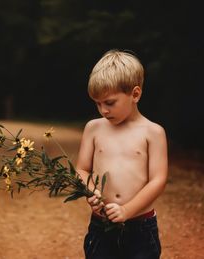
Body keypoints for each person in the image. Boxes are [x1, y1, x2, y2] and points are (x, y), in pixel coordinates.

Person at [76, 49, 168, 259]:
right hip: (101, 225)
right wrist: (90, 191)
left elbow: (158, 180)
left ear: (135, 94)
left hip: (140, 226)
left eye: (109, 103)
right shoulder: (93, 128)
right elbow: (81, 169)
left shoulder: (153, 132)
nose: (103, 110)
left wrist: (127, 210)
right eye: (97, 103)